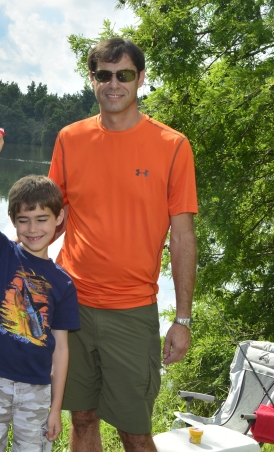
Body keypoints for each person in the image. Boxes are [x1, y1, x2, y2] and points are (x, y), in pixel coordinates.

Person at [48, 38, 198, 452]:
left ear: (140, 79)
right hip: (71, 302)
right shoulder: (69, 139)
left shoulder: (172, 146)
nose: (114, 84)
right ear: (92, 80)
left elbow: (183, 237)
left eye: (124, 75)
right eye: (104, 75)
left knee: (135, 432)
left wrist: (183, 320)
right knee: (81, 419)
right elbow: (49, 220)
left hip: (132, 311)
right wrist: (13, 262)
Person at [0, 131, 80, 451]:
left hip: (38, 391)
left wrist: (56, 407)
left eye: (42, 219)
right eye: (24, 220)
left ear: (59, 219)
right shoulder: (1, 253)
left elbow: (62, 349)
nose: (33, 229)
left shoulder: (64, 283)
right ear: (13, 221)